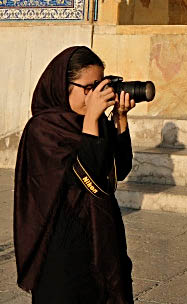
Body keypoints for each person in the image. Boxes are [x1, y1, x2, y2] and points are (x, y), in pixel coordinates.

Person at [14, 46, 135, 303]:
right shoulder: (42, 129)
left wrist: (120, 120)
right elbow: (83, 177)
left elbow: (119, 170)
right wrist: (92, 118)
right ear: (63, 85)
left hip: (102, 238)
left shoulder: (94, 121)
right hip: (62, 245)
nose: (96, 95)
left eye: (101, 85)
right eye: (89, 88)